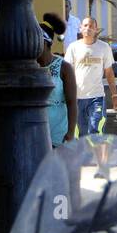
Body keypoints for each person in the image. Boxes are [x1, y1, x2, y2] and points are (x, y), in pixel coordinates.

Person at [63, 16, 117, 136]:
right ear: (80, 28)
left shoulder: (104, 47)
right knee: (81, 135)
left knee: (95, 130)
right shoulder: (73, 47)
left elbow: (109, 73)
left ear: (96, 29)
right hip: (77, 98)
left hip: (97, 98)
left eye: (91, 26)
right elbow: (67, 73)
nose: (88, 28)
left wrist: (115, 95)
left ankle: (96, 154)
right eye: (85, 25)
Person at [38, 15, 77, 147]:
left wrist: (71, 132)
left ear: (44, 42)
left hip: (59, 134)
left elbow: (72, 103)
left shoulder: (64, 67)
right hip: (35, 133)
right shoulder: (28, 67)